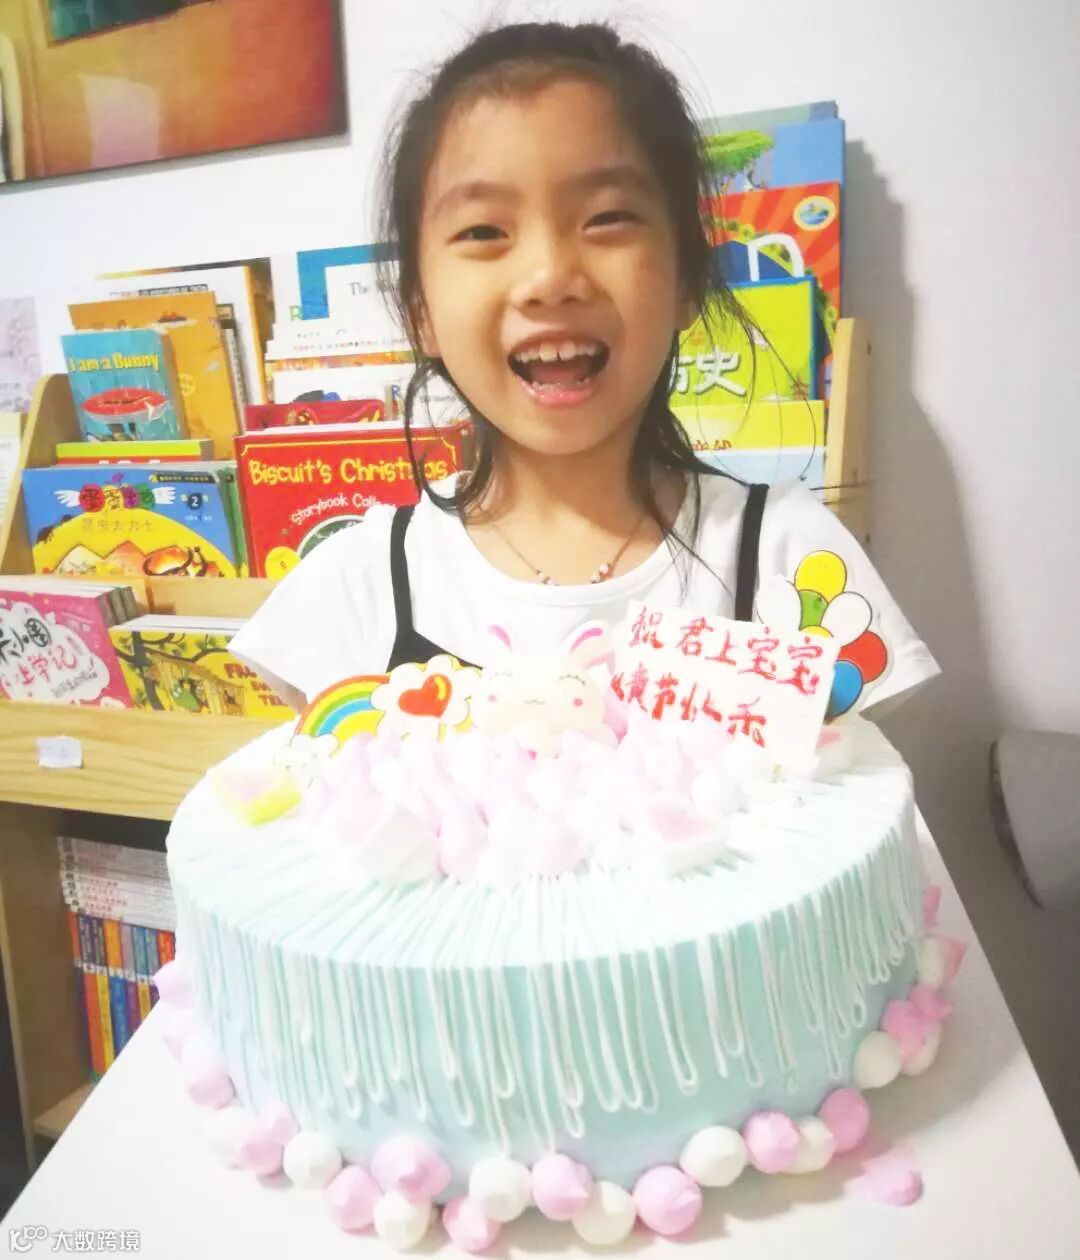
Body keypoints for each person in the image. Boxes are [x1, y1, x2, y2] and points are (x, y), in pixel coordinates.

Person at [231, 21, 938, 716]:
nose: (548, 277)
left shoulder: (794, 563)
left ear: (686, 279)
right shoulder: (355, 589)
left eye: (606, 218)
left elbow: (857, 789)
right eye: (483, 231)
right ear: (420, 310)